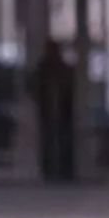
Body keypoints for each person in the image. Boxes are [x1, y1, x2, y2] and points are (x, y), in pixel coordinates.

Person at [32, 40, 76, 182]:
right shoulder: (43, 69)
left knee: (63, 141)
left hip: (62, 112)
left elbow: (71, 87)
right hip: (49, 111)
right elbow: (33, 86)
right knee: (49, 141)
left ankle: (64, 171)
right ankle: (50, 171)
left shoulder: (62, 69)